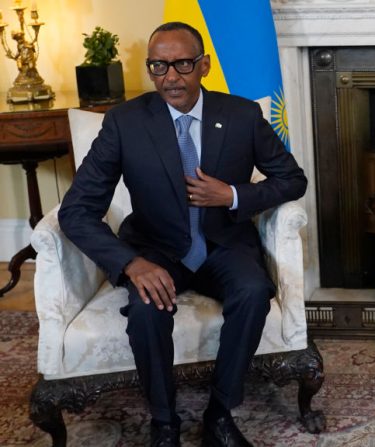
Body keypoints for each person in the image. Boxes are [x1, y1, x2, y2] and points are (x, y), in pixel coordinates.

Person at [58, 22, 307, 447]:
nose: (170, 76)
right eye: (159, 66)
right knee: (146, 311)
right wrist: (130, 263)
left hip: (223, 241)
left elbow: (292, 180)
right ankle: (164, 422)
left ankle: (220, 415)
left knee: (252, 291)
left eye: (182, 64)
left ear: (203, 65)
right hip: (154, 248)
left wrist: (230, 194)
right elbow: (76, 211)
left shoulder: (243, 115)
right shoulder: (124, 123)